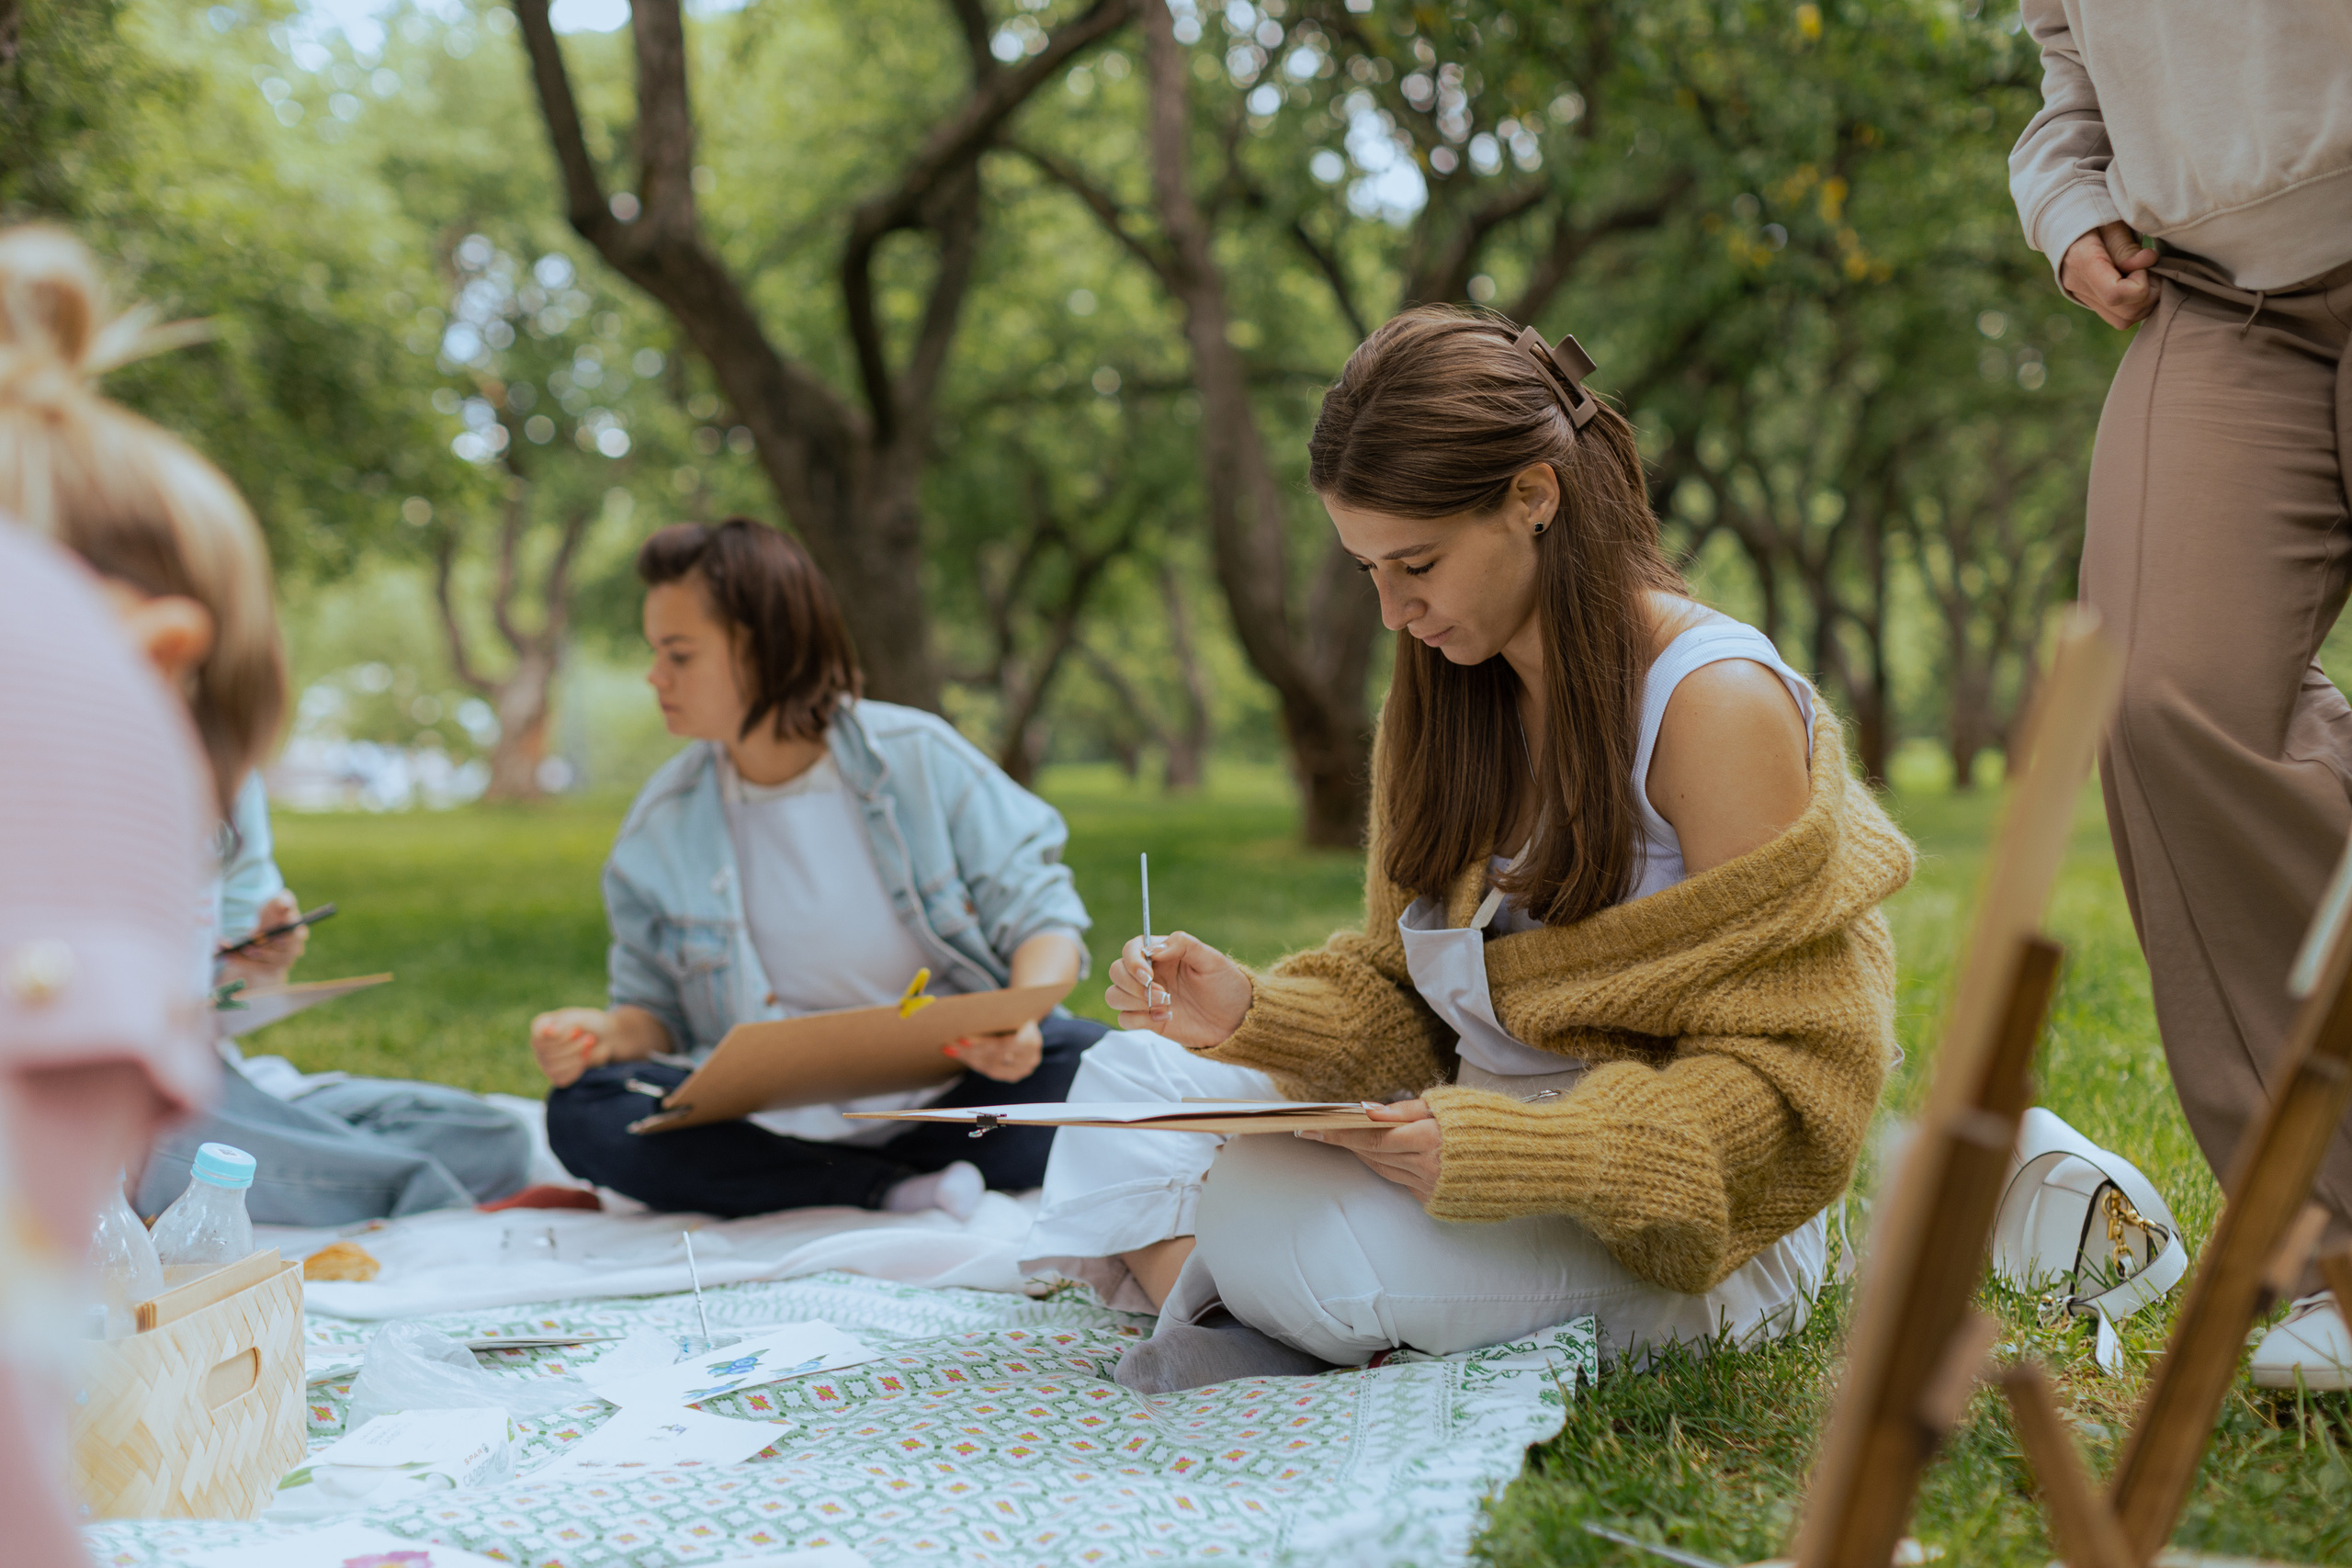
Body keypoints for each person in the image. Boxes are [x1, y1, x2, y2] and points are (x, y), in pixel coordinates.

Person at [1021, 308, 1913, 1390]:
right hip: (1463, 1149)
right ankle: (1281, 1306)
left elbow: (1790, 1082)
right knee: (1127, 1077)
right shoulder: (1443, 700)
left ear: (1533, 497)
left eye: (1417, 564)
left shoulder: (1712, 706)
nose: (1393, 612)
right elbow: (1408, 998)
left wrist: (1519, 1152)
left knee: (1271, 1209)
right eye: (1367, 570)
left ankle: (1248, 1302)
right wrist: (1249, 1012)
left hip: (1672, 1228)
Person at [2008, 1, 2352, 1387]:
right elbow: (2072, 67)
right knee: (2159, 699)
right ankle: (2334, 1247)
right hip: (2216, 296)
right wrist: (2067, 202)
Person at [533, 518, 1104, 1218]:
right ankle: (887, 1188)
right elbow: (653, 1014)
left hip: (955, 1102)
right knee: (583, 1111)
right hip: (761, 1125)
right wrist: (601, 1035)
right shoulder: (660, 825)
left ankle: (829, 1183)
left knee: (1102, 1064)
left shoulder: (918, 756)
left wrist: (1021, 1019)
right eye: (656, 653)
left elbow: (1044, 918)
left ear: (768, 645)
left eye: (678, 654)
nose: (656, 676)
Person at [133, 771, 535, 1224]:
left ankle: (354, 1180)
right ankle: (421, 1198)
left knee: (489, 1138)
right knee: (144, 1153)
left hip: (217, 1078)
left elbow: (235, 982)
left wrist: (260, 960)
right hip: (121, 1098)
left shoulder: (233, 778)